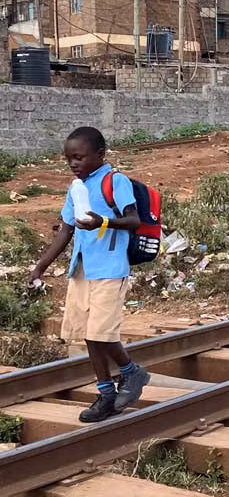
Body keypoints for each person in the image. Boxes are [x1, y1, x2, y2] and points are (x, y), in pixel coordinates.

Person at [30, 127, 150, 422]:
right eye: (69, 159)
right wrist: (40, 266)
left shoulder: (115, 181)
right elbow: (66, 230)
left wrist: (103, 222)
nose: (73, 164)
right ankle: (106, 393)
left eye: (79, 157)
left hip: (110, 268)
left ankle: (131, 372)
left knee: (101, 333)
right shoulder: (76, 187)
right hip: (82, 268)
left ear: (99, 154)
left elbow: (134, 220)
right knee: (89, 335)